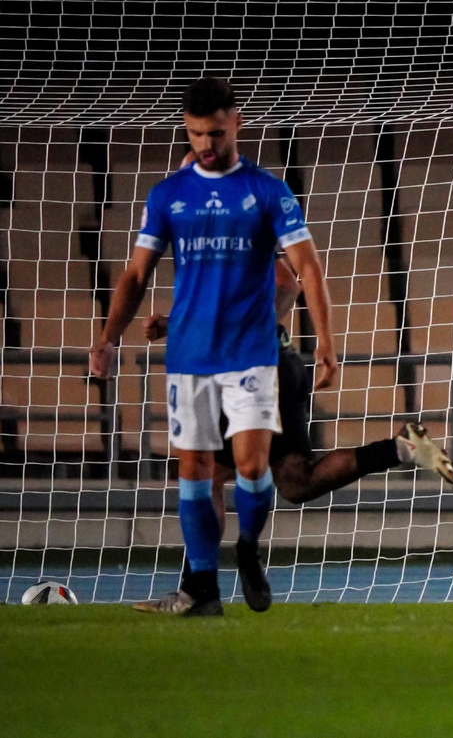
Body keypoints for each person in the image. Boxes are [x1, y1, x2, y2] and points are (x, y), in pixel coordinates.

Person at [90, 76, 338, 617]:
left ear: (237, 125)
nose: (207, 143)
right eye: (198, 133)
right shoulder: (168, 195)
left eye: (217, 133)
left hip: (251, 352)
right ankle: (202, 589)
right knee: (195, 472)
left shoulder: (267, 191)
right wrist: (107, 338)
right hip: (189, 357)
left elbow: (307, 268)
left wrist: (324, 340)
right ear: (187, 129)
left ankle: (247, 547)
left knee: (251, 468)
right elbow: (136, 274)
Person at [133, 243, 453, 614]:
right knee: (295, 480)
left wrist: (243, 334)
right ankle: (401, 447)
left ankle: (199, 591)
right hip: (276, 364)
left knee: (209, 477)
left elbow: (286, 283)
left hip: (250, 371)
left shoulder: (230, 221)